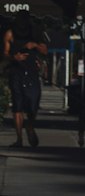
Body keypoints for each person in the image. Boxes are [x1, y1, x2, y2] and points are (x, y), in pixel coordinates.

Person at [2, 13, 47, 148]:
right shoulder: (10, 34)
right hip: (16, 72)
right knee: (18, 106)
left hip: (32, 72)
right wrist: (13, 58)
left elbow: (45, 50)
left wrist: (35, 45)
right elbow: (5, 52)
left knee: (33, 103)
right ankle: (19, 139)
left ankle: (30, 125)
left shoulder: (35, 33)